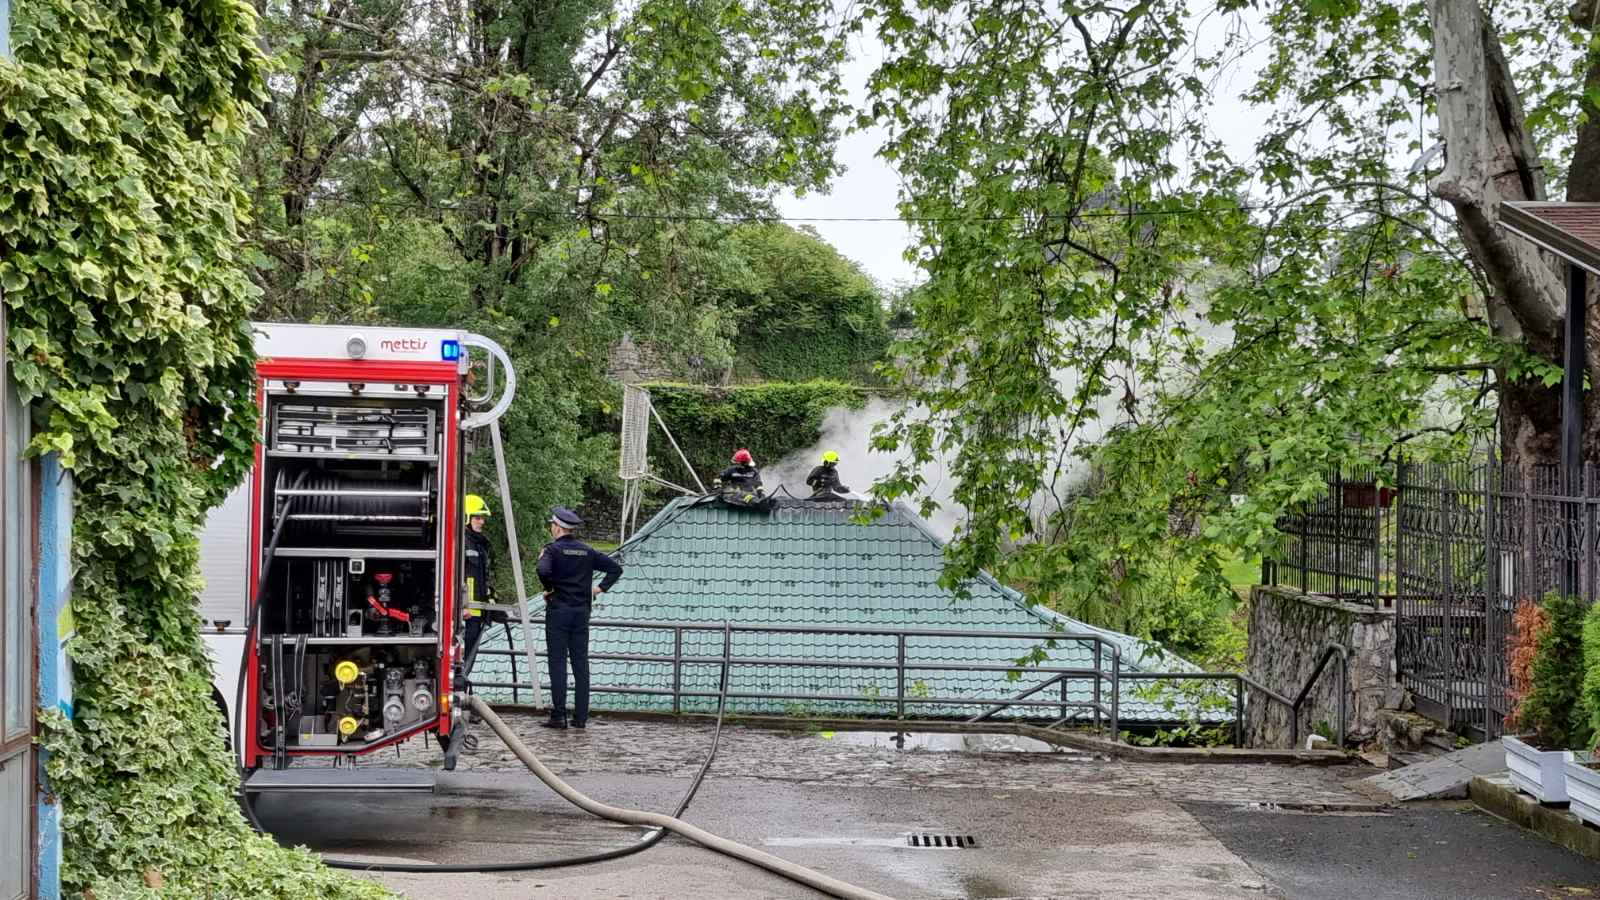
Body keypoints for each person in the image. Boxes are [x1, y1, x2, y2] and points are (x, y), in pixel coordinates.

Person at [535, 506, 622, 730]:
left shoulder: (552, 551)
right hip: (582, 612)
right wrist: (599, 588)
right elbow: (615, 569)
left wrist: (550, 589)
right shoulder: (587, 551)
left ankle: (559, 716)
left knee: (558, 663)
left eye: (552, 525)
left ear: (557, 527)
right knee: (580, 664)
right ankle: (581, 717)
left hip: (558, 612)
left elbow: (543, 571)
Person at [459, 493, 496, 673]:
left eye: (482, 518)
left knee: (469, 659)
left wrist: (490, 601)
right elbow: (456, 578)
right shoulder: (460, 543)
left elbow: (484, 577)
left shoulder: (480, 545)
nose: (482, 522)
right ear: (466, 517)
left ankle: (463, 688)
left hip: (477, 612)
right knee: (462, 659)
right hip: (465, 614)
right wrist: (461, 607)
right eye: (478, 517)